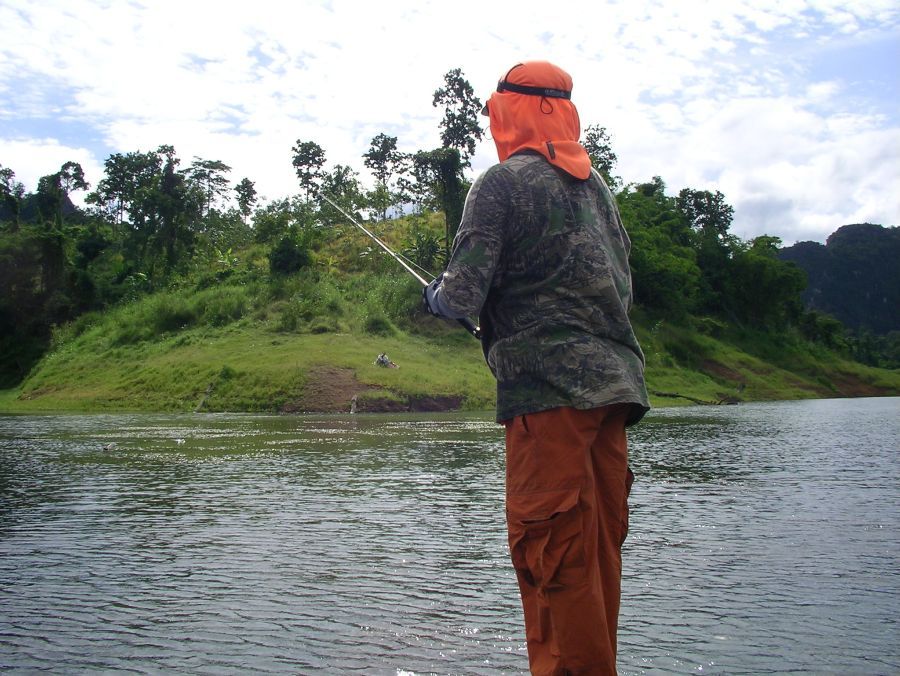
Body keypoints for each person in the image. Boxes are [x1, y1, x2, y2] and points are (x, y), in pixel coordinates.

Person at [422, 61, 649, 675]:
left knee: (554, 562)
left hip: (548, 402)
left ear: (509, 111)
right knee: (596, 564)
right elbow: (620, 286)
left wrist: (436, 297)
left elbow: (461, 297)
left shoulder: (501, 183)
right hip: (614, 396)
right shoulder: (596, 189)